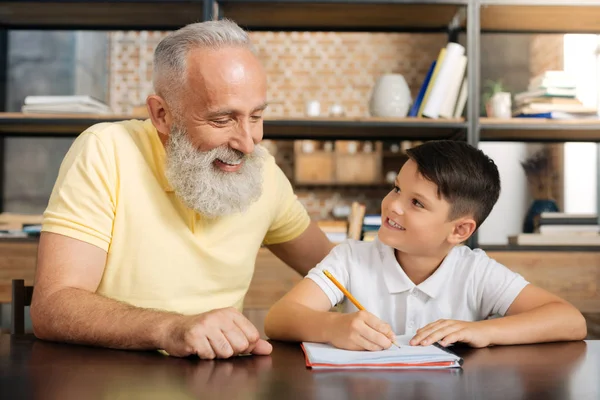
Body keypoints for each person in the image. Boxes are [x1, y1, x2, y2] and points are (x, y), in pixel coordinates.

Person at [30, 19, 334, 359]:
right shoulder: (105, 150)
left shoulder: (264, 174)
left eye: (256, 116)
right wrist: (171, 328)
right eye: (222, 120)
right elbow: (52, 306)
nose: (248, 144)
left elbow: (339, 272)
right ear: (162, 114)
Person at [265, 140, 587, 350]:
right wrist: (333, 326)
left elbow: (569, 320)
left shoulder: (475, 271)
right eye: (395, 189)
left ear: (460, 230)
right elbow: (278, 318)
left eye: (416, 203)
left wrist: (483, 332)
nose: (393, 206)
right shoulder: (350, 258)